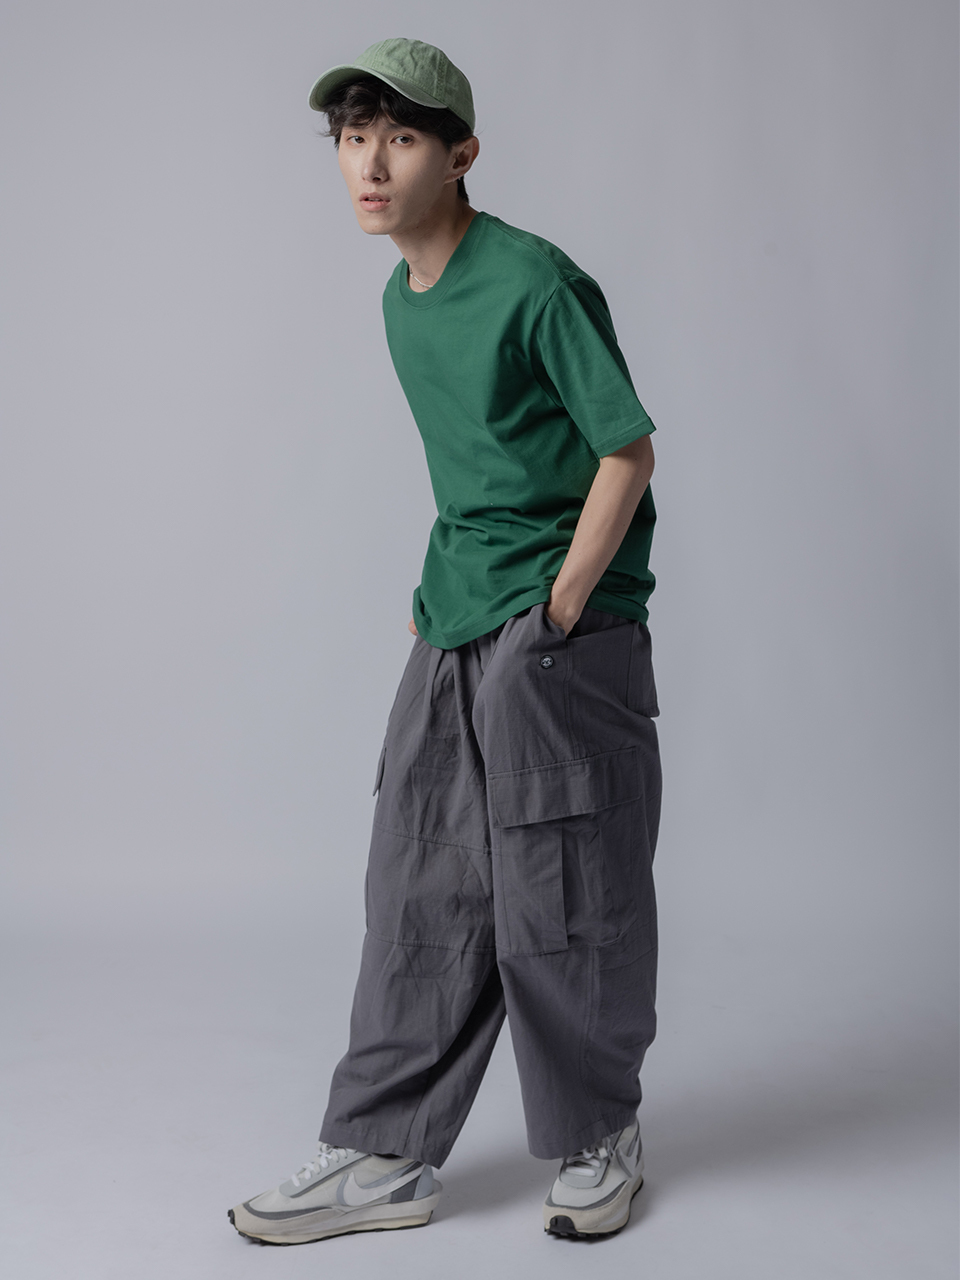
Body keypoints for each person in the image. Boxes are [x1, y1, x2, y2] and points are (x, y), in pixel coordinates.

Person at [229, 36, 661, 1245]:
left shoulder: (536, 282)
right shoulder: (400, 299)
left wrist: (559, 611)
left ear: (462, 155)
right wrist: (446, 605)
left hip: (558, 632)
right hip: (457, 612)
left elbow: (626, 450)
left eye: (403, 138)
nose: (372, 164)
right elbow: (480, 472)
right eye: (354, 138)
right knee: (419, 879)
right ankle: (385, 1153)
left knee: (563, 885)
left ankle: (601, 1134)